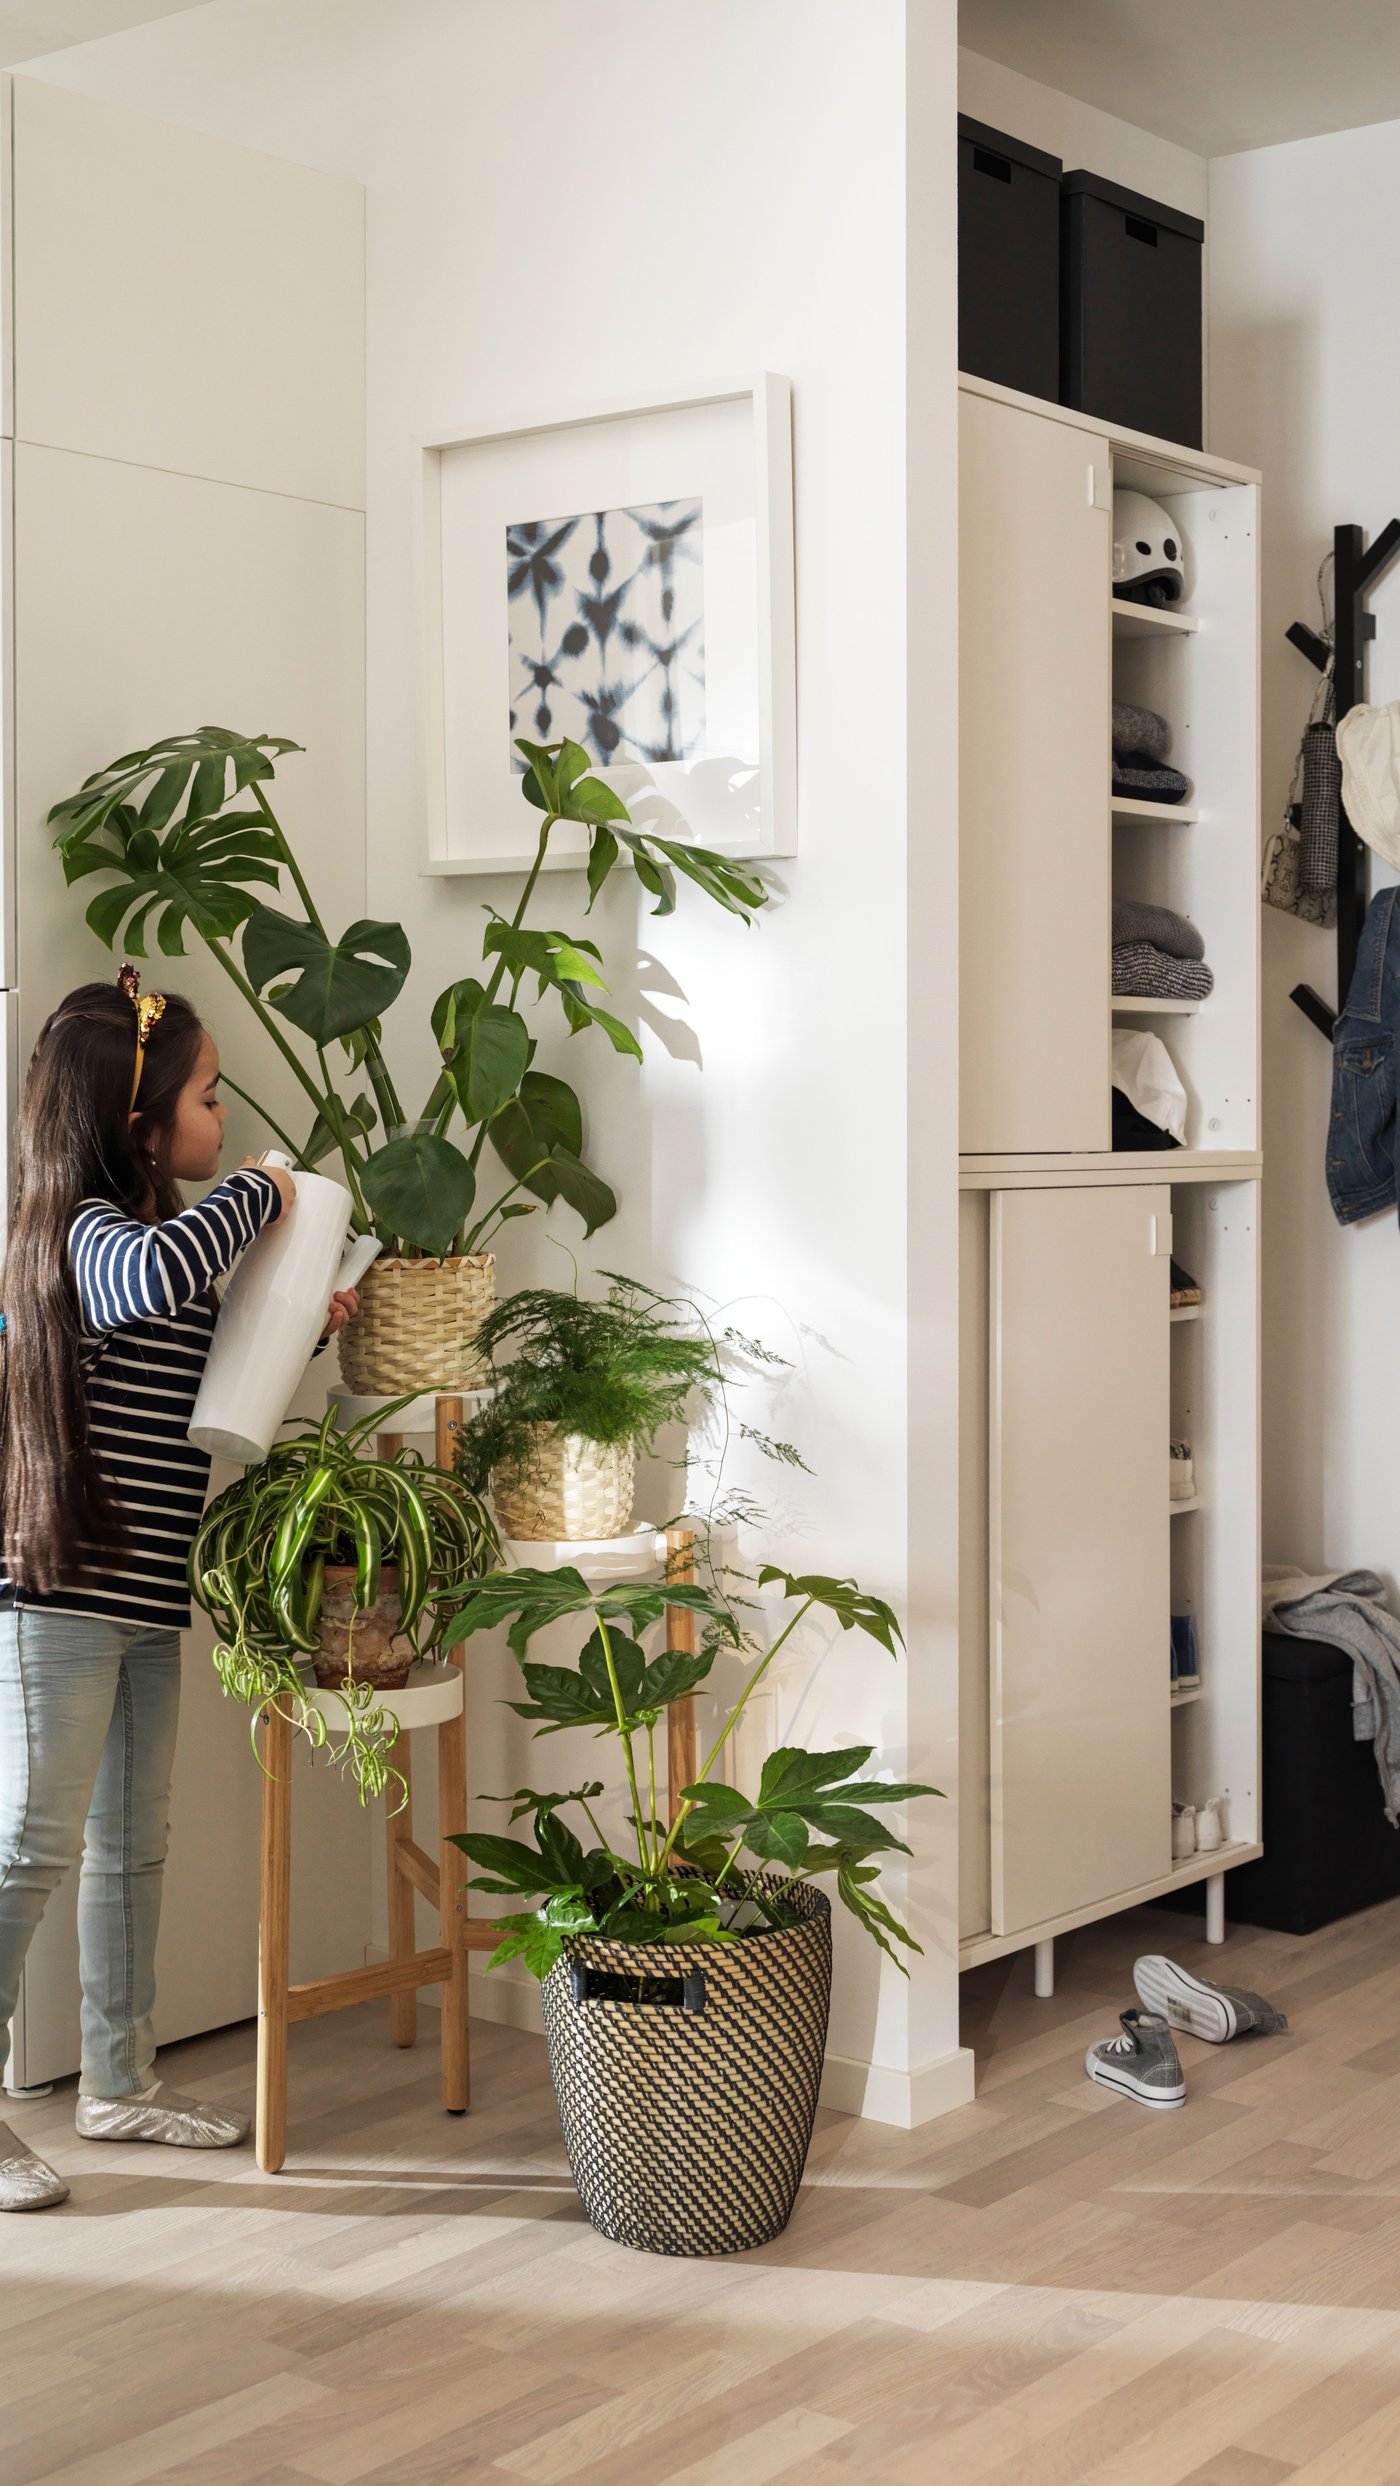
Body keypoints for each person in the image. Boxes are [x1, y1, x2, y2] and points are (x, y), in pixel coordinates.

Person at [0, 968, 358, 2209]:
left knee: (129, 1842)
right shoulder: (89, 1238)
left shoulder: (158, 1248)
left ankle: (117, 2076)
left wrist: (307, 1321)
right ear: (137, 1118)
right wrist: (260, 1191)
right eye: (207, 1097)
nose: (222, 1119)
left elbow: (208, 1377)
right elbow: (145, 1286)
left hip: (147, 1590)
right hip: (58, 1591)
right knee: (30, 1843)